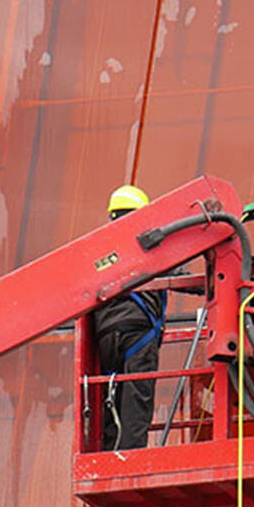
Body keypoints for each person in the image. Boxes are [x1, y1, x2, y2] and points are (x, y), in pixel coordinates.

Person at [93, 185, 166, 449]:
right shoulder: (148, 244)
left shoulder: (100, 252)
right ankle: (131, 456)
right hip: (138, 331)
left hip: (105, 335)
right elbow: (180, 275)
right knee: (136, 397)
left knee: (111, 392)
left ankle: (110, 452)